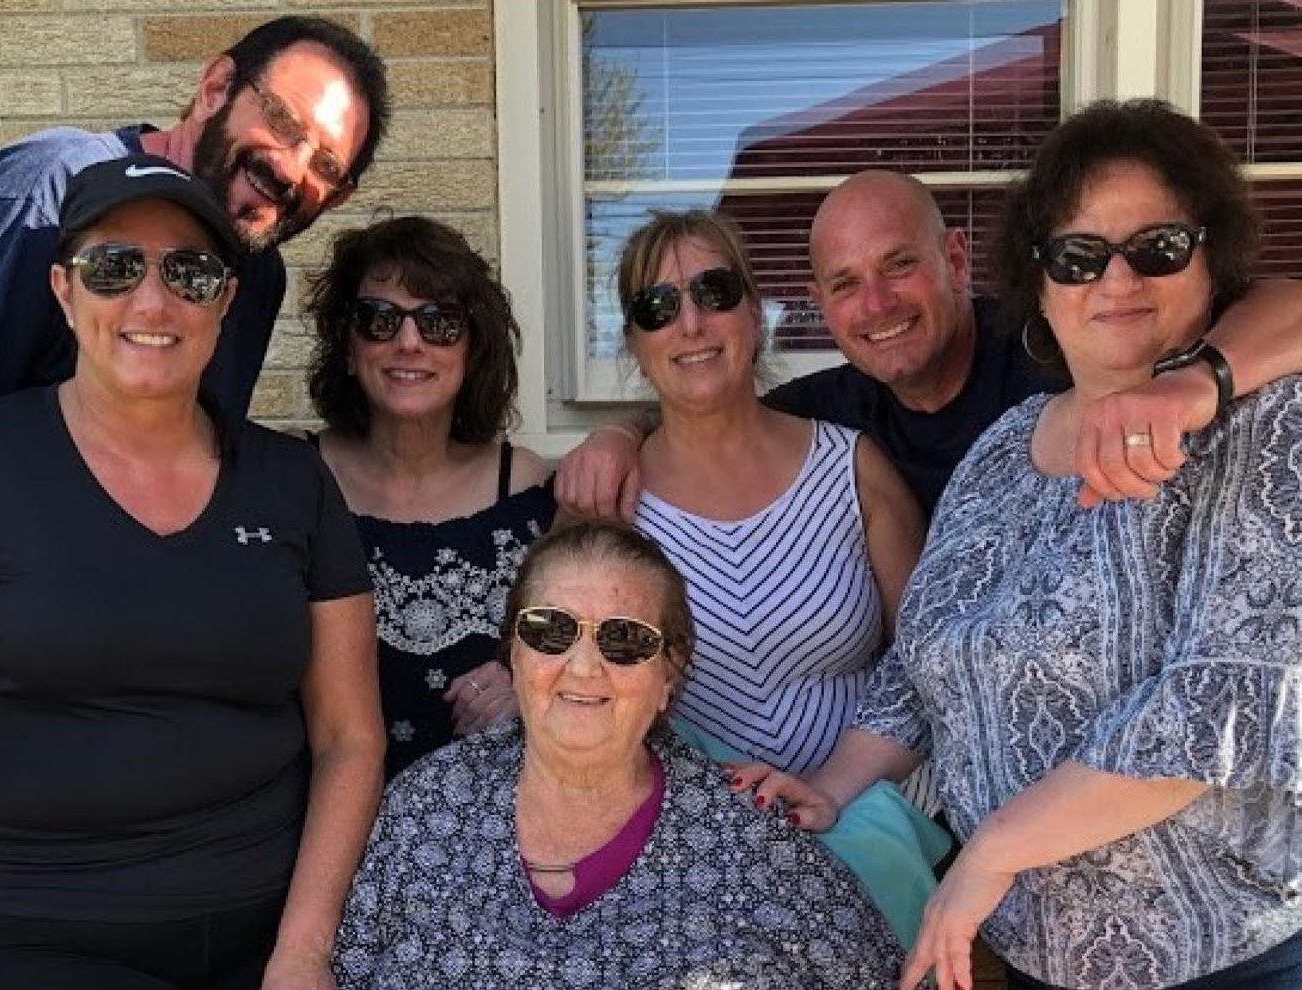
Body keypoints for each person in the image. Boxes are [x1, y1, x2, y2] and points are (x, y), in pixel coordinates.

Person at [739, 100, 1302, 990]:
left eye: (1156, 248)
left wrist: (993, 849)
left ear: (1211, 260)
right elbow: (925, 659)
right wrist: (835, 784)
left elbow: (1215, 708)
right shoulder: (1006, 445)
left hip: (1224, 959)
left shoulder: (1266, 425)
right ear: (1039, 280)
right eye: (1079, 256)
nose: (1116, 279)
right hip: (1032, 957)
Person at [0, 155, 384, 989]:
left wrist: (303, 952)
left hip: (263, 928)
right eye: (114, 267)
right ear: (64, 290)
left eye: (190, 273)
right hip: (35, 933)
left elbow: (349, 738)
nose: (152, 302)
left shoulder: (291, 482)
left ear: (225, 301)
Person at [331, 521, 903, 989]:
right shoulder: (423, 809)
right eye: (551, 629)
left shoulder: (752, 840)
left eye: (624, 639)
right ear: (514, 654)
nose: (584, 667)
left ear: (668, 675)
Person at [556, 171, 1302, 518]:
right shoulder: (829, 414)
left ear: (954, 259)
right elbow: (713, 416)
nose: (877, 305)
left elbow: (1283, 305)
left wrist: (1195, 382)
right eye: (846, 284)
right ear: (820, 304)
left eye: (898, 265)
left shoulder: (1060, 338)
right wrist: (620, 434)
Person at [0, 15, 389, 428]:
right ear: (216, 89)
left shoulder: (257, 275)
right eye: (281, 120)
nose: (290, 168)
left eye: (326, 166)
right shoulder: (44, 195)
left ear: (337, 198)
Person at [611, 209, 931, 807]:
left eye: (714, 292)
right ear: (633, 340)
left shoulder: (852, 468)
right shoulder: (611, 505)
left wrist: (834, 792)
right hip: (691, 838)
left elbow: (926, 664)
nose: (691, 324)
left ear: (755, 312)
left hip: (870, 822)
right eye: (658, 307)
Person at [305, 216, 555, 778]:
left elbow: (588, 644)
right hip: (316, 811)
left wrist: (529, 680)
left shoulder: (527, 488)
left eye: (440, 322)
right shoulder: (296, 478)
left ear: (473, 347)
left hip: (494, 815)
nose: (409, 342)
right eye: (379, 319)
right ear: (347, 344)